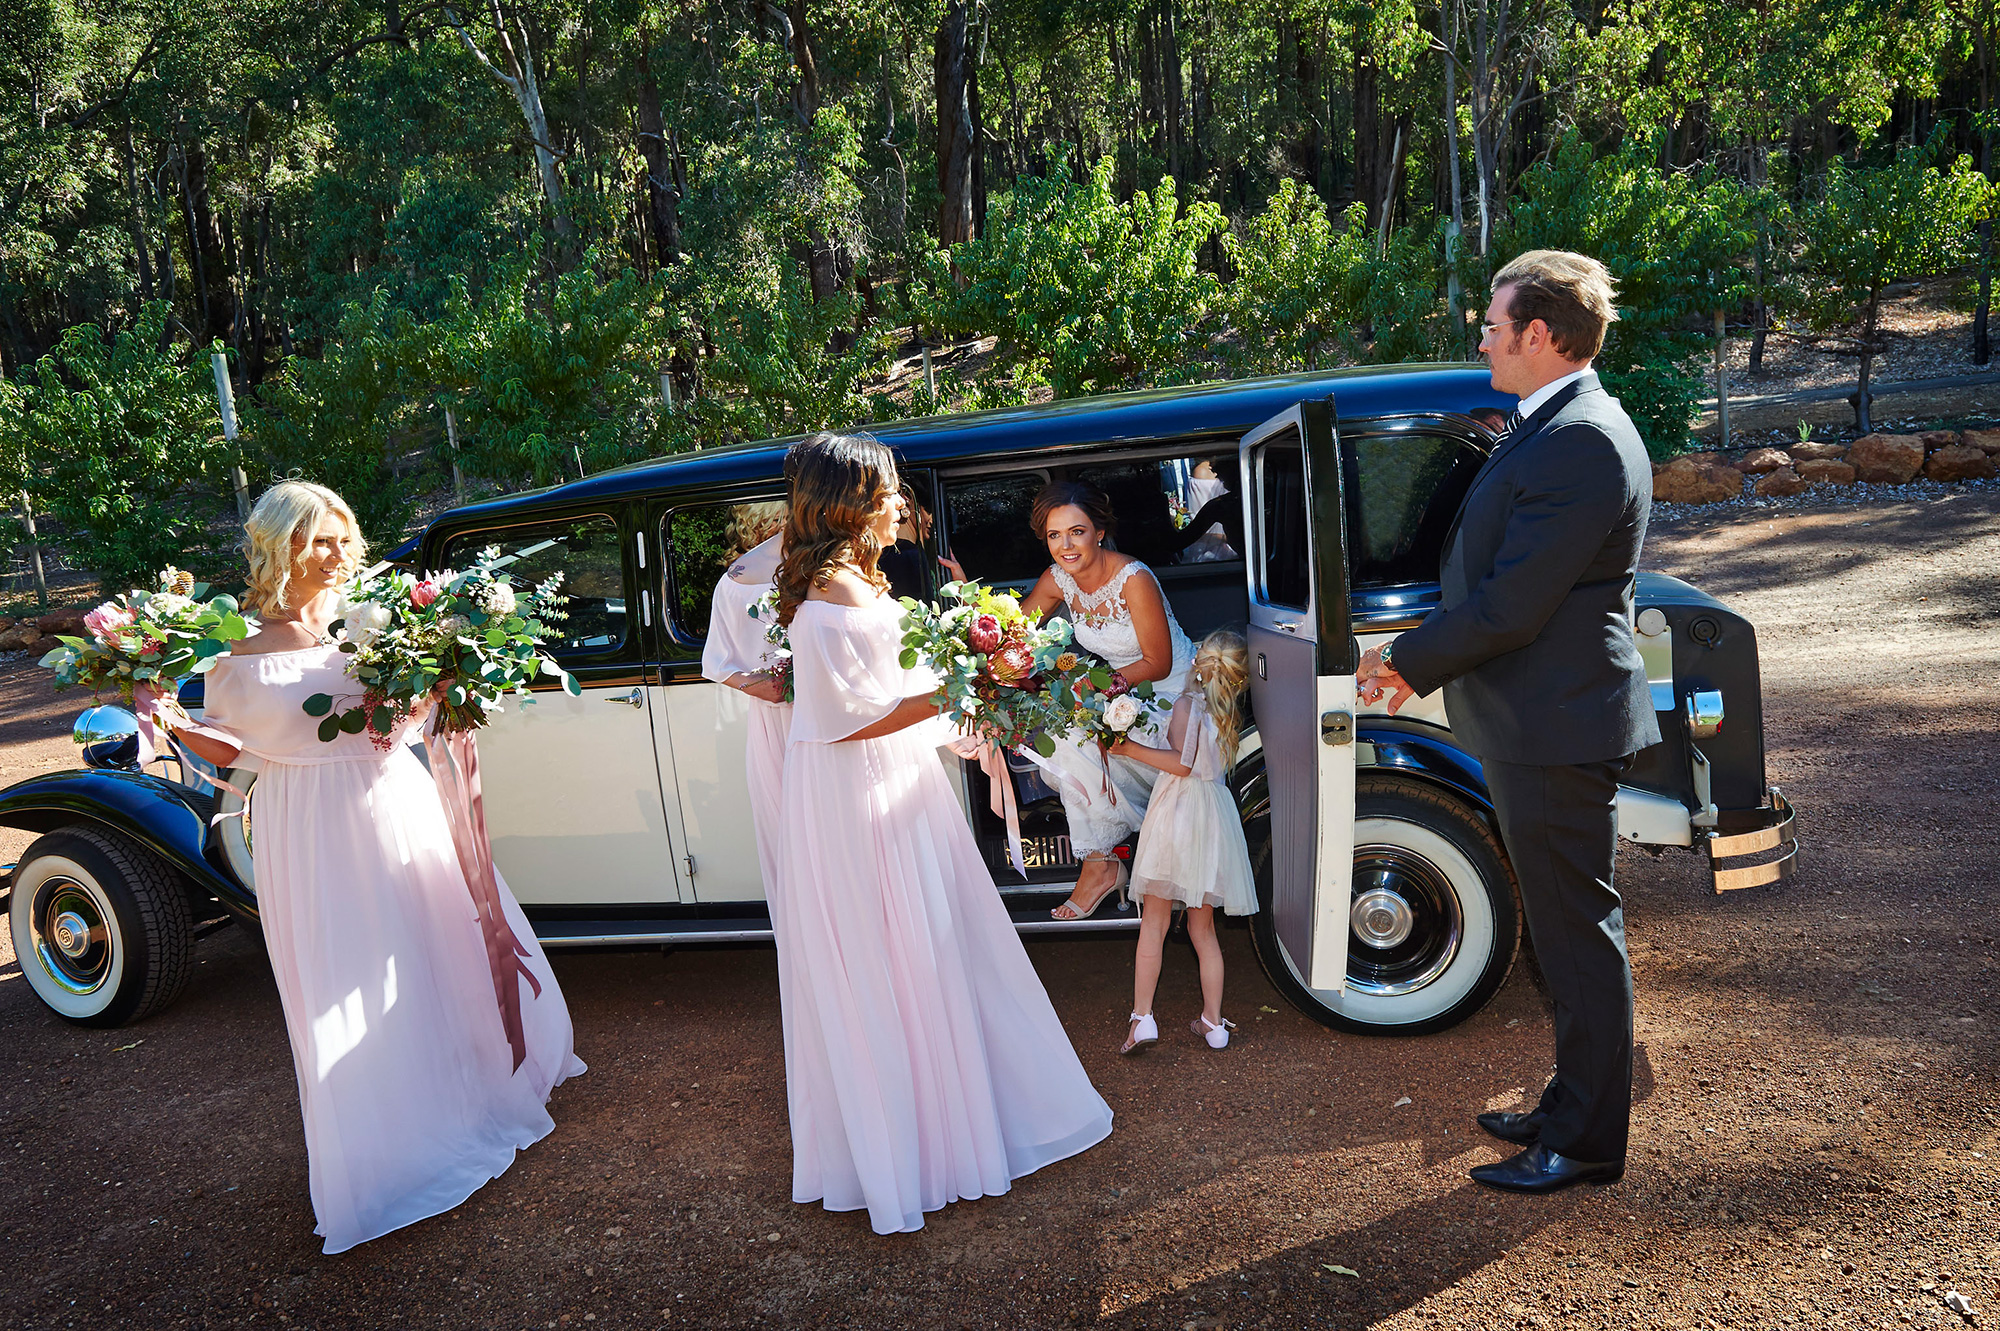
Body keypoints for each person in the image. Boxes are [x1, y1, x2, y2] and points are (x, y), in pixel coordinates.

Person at [173, 480, 584, 1253]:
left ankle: (471, 1098)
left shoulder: (379, 626)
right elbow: (231, 751)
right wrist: (170, 719)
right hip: (308, 824)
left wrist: (440, 679)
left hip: (394, 800)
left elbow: (396, 725)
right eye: (319, 539)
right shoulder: (233, 653)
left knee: (433, 947)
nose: (336, 554)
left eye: (341, 538)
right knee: (343, 970)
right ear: (279, 544)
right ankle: (384, 1151)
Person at [1357, 250, 1659, 1195]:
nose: (1480, 336)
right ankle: (1572, 1102)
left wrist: (1404, 663)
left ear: (1539, 334)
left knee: (1577, 933)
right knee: (1564, 932)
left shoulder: (1585, 440)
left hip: (1557, 725)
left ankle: (1587, 1141)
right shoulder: (1556, 425)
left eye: (1493, 323)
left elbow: (1512, 605)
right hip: (1541, 719)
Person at [772, 432, 1113, 1235]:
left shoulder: (862, 579)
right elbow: (843, 723)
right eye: (889, 492)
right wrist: (963, 684)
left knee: (932, 950)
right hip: (857, 800)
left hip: (899, 784)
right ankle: (911, 1152)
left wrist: (961, 692)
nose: (902, 506)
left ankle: (947, 1130)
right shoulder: (823, 600)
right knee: (891, 958)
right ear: (850, 501)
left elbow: (896, 692)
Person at [1018, 480, 1195, 921]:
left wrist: (1093, 689)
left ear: (1098, 530)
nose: (1065, 546)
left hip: (1172, 694)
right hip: (1117, 690)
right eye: (1054, 535)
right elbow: (1016, 634)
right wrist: (980, 625)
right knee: (1061, 738)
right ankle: (1103, 860)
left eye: (1076, 532)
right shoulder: (1057, 579)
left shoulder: (1133, 578)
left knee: (1080, 734)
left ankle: (1105, 864)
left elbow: (1156, 662)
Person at [1109, 629, 1259, 1054]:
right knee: (1203, 929)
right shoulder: (1228, 711)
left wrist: (1127, 749)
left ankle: (1143, 1019)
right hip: (1213, 818)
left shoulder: (1186, 704)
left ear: (1199, 660)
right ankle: (1213, 1023)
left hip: (1178, 814)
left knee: (1153, 924)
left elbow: (1180, 764)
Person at [878, 490, 965, 602]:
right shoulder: (907, 555)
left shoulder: (903, 552)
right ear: (907, 502)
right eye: (928, 509)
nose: (932, 519)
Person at [1168, 458, 1241, 563]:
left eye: (1218, 465)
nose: (1215, 473)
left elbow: (1180, 541)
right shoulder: (1219, 505)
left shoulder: (1221, 505)